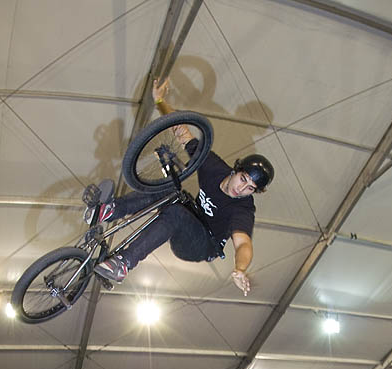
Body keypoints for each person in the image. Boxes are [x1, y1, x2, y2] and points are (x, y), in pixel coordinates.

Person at [91, 78, 274, 296]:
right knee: (170, 189)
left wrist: (240, 268)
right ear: (235, 170)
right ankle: (109, 210)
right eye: (243, 179)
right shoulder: (213, 166)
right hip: (191, 216)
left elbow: (243, 243)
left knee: (177, 213)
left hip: (202, 245)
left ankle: (124, 264)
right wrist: (160, 101)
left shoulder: (243, 208)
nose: (242, 190)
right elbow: (182, 133)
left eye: (250, 188)